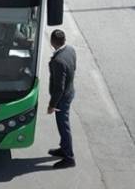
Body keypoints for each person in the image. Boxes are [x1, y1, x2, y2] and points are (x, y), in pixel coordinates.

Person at [47, 29, 77, 169]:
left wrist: (52, 105)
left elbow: (59, 87)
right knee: (63, 125)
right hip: (70, 92)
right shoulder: (70, 49)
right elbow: (73, 68)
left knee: (63, 126)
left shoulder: (58, 61)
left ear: (52, 42)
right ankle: (63, 148)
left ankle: (69, 158)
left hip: (62, 98)